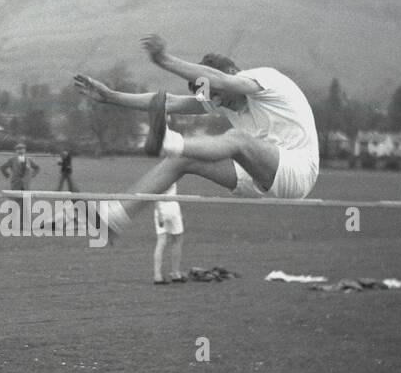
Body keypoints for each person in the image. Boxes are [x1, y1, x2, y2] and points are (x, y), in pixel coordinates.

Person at [73, 34, 318, 237]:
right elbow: (172, 102)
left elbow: (220, 80)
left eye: (219, 94)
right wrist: (113, 98)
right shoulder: (219, 95)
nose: (219, 102)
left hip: (298, 172)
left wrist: (163, 59)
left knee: (237, 139)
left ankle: (169, 142)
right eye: (213, 97)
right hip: (259, 179)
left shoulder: (265, 78)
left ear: (234, 73)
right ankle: (114, 218)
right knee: (180, 160)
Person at [152, 183, 186, 285]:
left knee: (161, 241)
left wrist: (160, 213)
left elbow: (154, 193)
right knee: (177, 240)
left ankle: (157, 276)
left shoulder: (157, 174)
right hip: (172, 207)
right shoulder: (172, 171)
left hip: (161, 207)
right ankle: (175, 273)